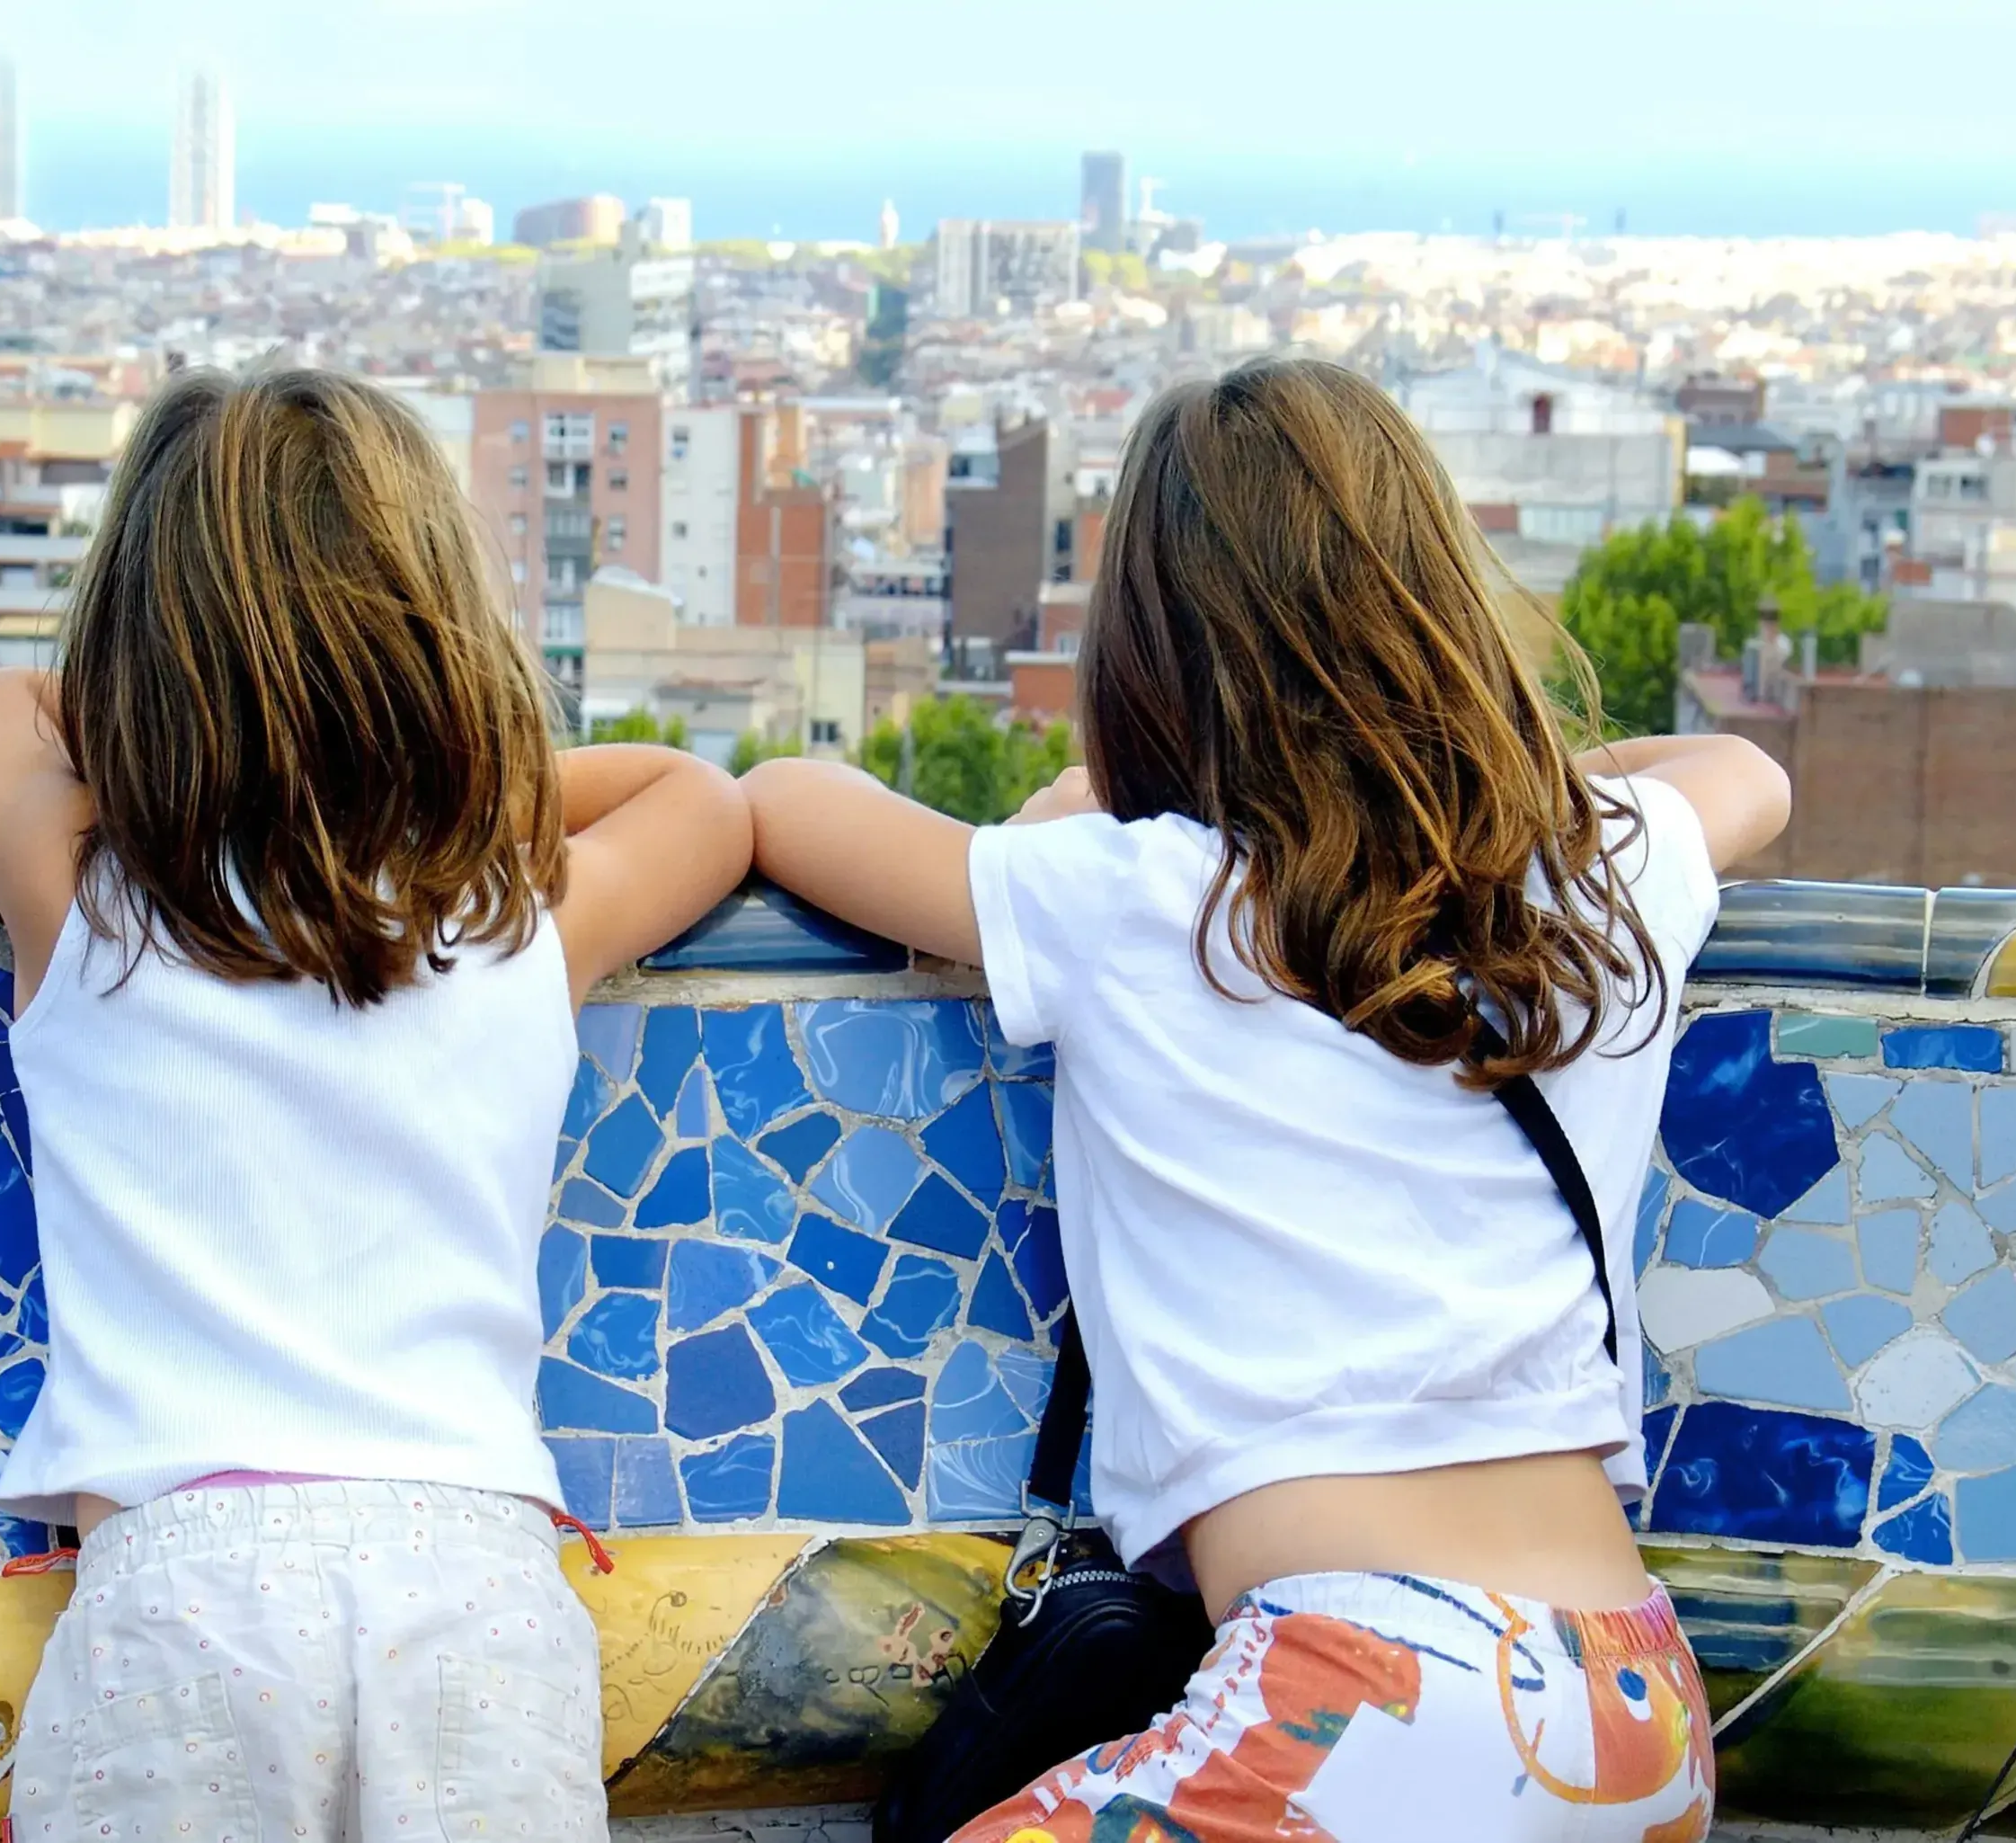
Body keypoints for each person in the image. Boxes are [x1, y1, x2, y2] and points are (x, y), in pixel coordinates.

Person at [742, 358, 1787, 1842]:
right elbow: (1745, 772)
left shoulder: (1147, 898)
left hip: (1364, 1693)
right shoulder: (1592, 881)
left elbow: (790, 801)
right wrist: (1451, 797)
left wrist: (1077, 808)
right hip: (1629, 1701)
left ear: (1152, 653)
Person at [0, 367, 750, 1841]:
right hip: (480, 1592)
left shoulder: (85, 891)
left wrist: (202, 753)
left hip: (182, 1593)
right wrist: (441, 787)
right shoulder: (509, 924)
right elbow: (705, 799)